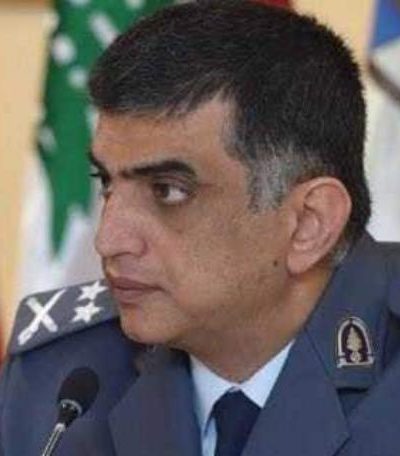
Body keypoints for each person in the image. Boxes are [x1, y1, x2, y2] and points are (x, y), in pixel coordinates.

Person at [2, 1, 400, 455]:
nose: (107, 240)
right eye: (106, 182)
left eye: (168, 191)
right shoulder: (61, 376)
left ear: (309, 223)